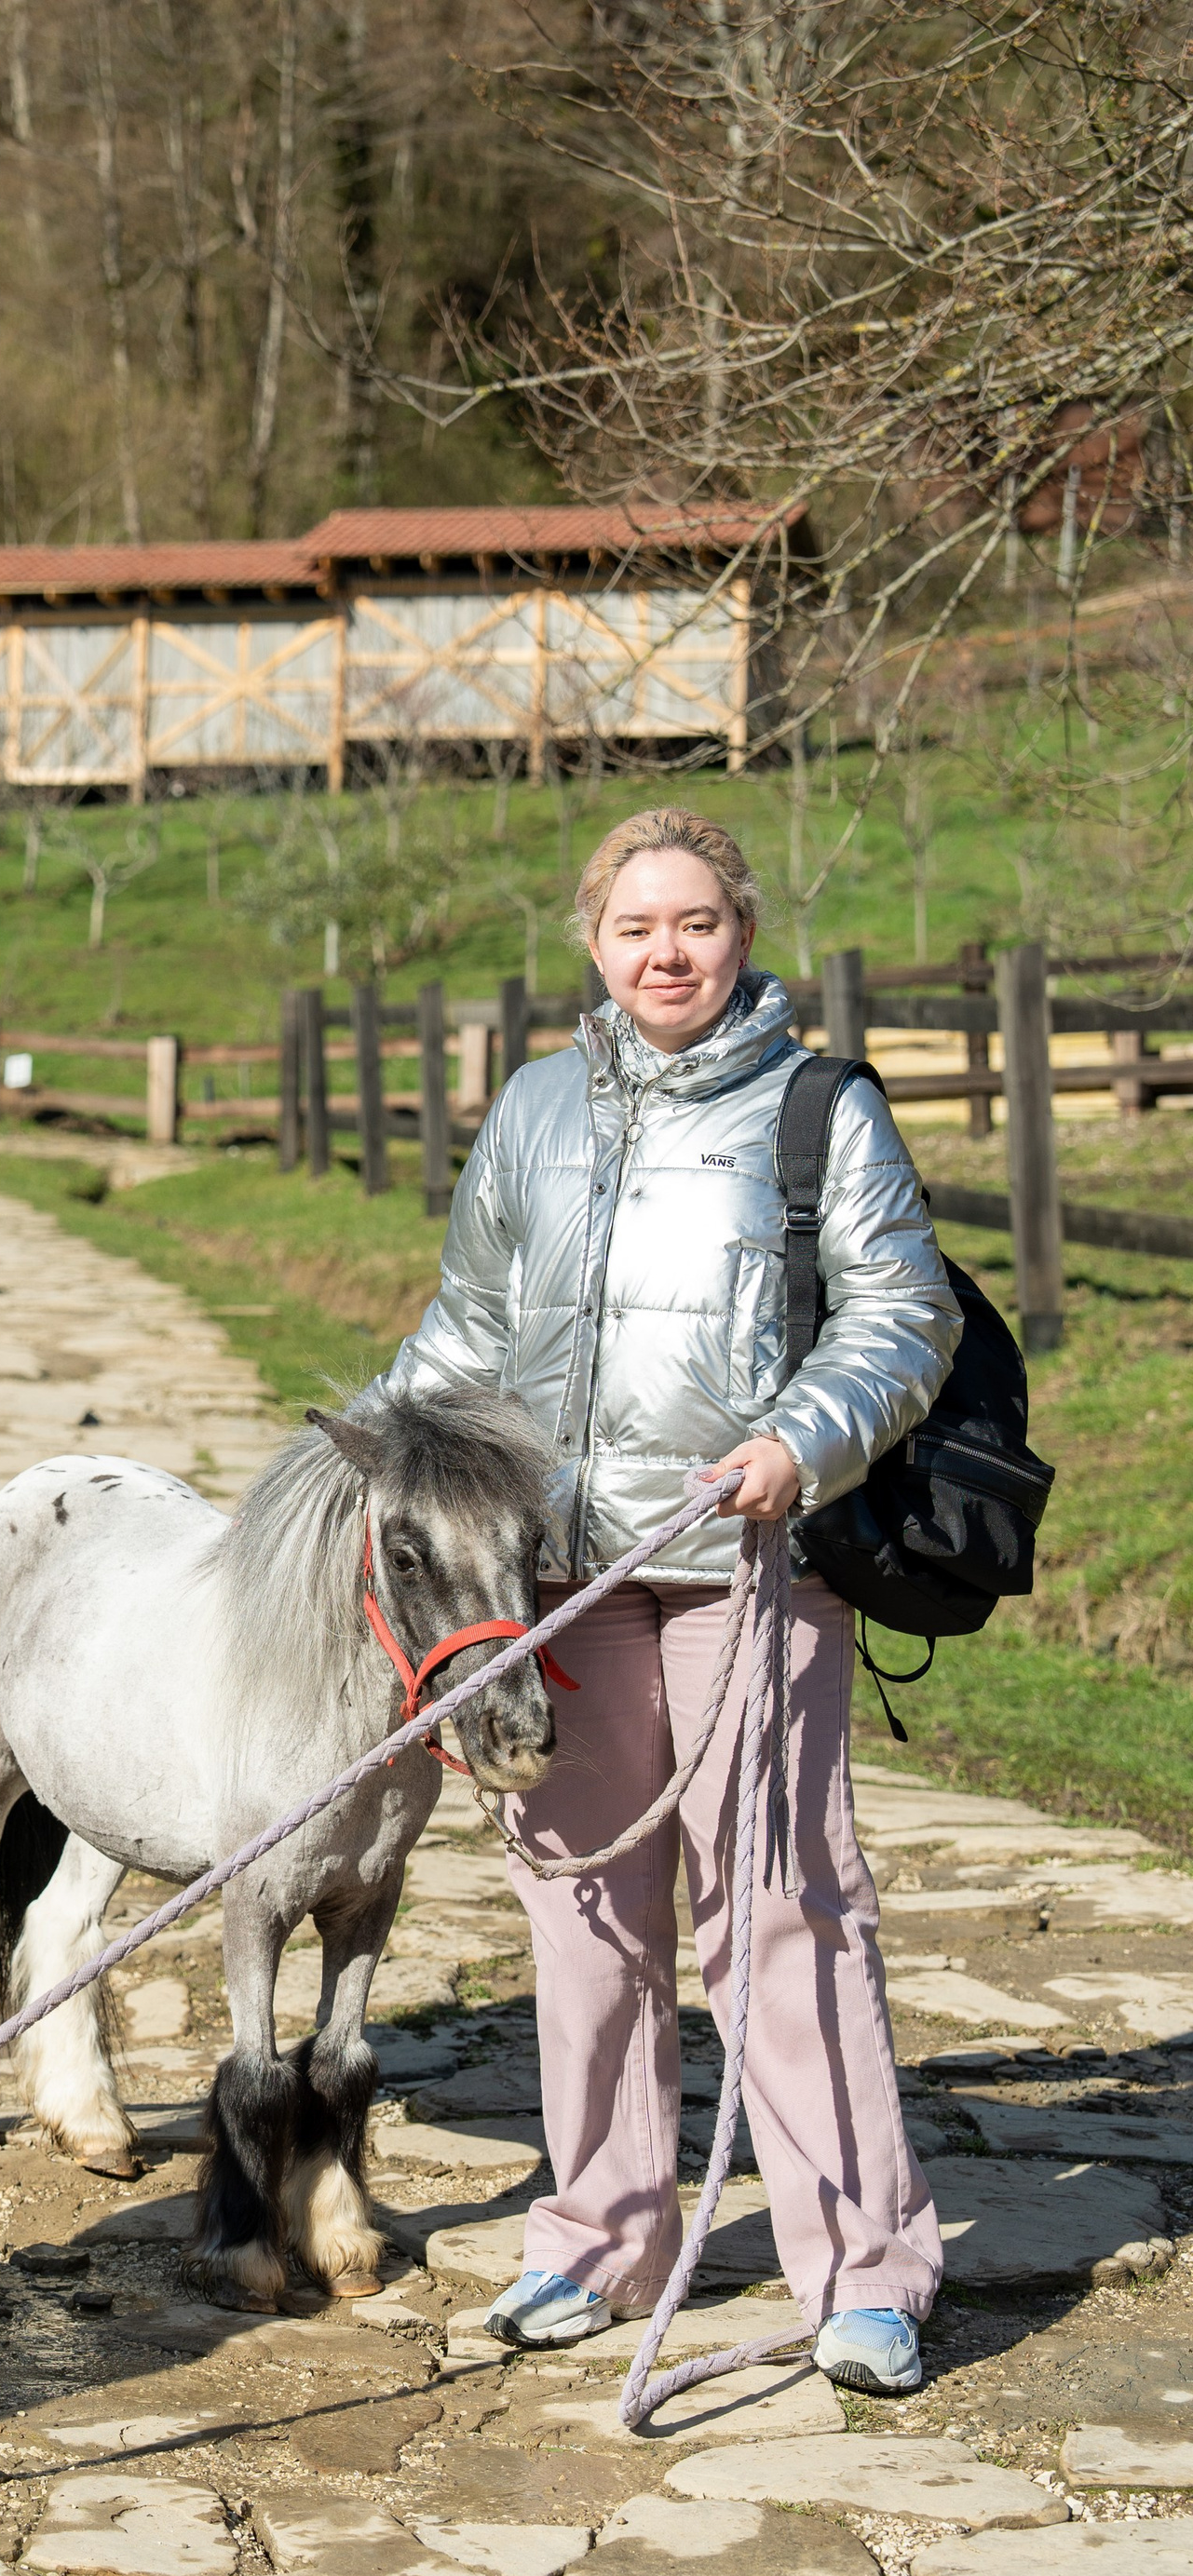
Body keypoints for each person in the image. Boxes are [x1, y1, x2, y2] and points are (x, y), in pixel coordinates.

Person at [384, 807, 957, 2397]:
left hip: (742, 1571)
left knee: (782, 1907)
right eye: (636, 927)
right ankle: (598, 2230)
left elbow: (904, 1316)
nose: (666, 952)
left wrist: (802, 1438)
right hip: (557, 1581)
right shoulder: (535, 1107)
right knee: (578, 1904)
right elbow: (470, 1327)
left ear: (744, 931)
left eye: (695, 922)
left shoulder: (821, 1108)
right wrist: (359, 1454)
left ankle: (864, 2269)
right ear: (592, 942)